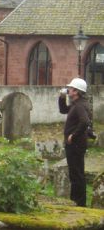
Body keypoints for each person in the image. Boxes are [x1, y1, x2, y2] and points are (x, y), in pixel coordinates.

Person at [58, 77, 91, 207]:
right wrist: (61, 97)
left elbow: (85, 122)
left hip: (76, 144)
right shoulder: (77, 104)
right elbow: (63, 110)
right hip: (76, 144)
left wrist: (73, 135)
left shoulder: (79, 106)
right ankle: (76, 201)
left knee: (76, 174)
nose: (68, 90)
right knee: (76, 173)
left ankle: (79, 203)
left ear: (76, 92)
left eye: (70, 88)